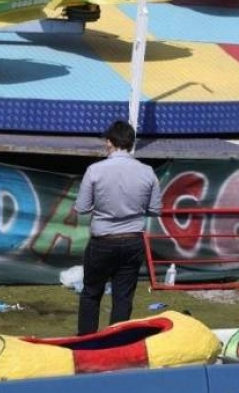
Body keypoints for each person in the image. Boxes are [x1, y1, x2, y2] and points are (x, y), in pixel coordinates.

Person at [74, 119, 163, 335]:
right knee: (123, 297)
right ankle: (116, 342)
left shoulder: (95, 170)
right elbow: (155, 209)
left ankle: (86, 342)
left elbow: (82, 208)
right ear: (131, 144)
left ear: (109, 142)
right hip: (133, 240)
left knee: (91, 293)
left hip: (103, 240)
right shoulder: (147, 171)